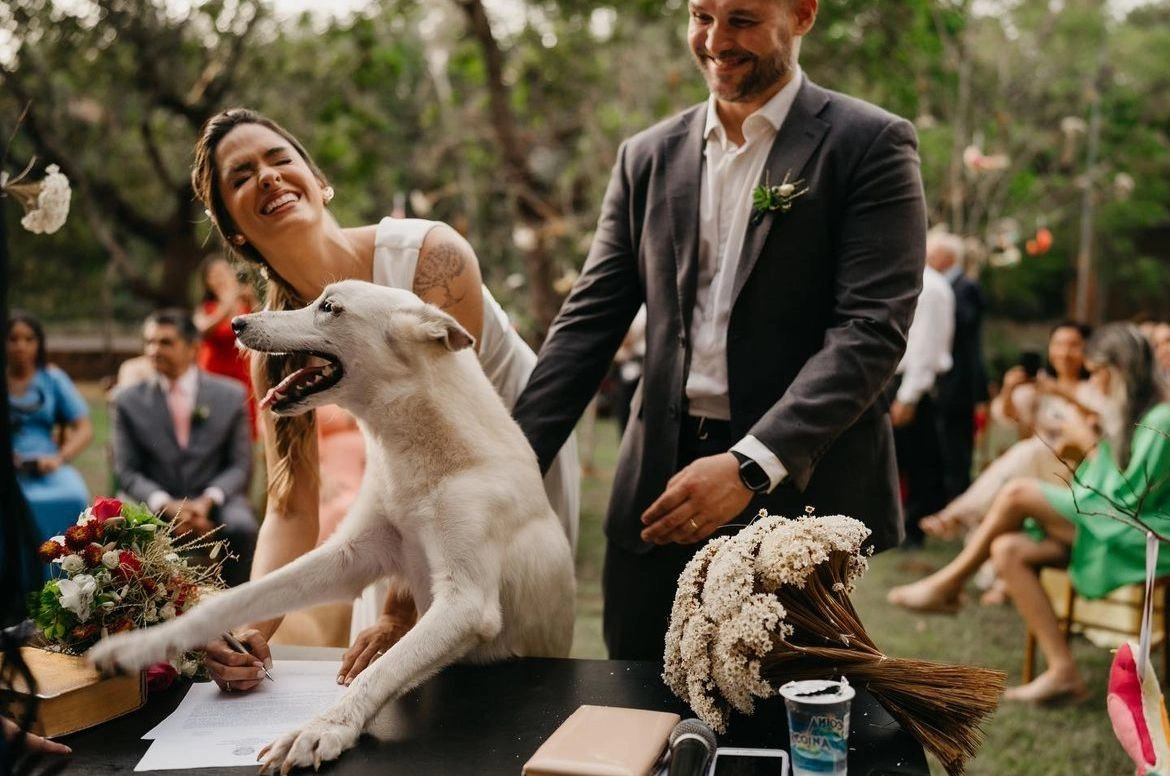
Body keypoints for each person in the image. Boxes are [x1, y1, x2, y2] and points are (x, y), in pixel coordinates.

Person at [512, 0, 927, 660]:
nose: (715, 41)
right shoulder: (646, 156)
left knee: (770, 716)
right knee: (636, 694)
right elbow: (586, 324)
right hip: (657, 484)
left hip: (794, 491)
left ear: (803, 14)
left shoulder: (868, 144)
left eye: (742, 19)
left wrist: (750, 466)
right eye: (701, 15)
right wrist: (506, 468)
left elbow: (869, 330)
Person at [188, 107, 581, 692]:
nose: (267, 177)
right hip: (398, 479)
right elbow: (291, 506)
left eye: (279, 160)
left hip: (511, 452)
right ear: (235, 231)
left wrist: (400, 609)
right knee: (400, 688)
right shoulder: (275, 343)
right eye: (242, 176)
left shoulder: (428, 255)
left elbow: (447, 428)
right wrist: (254, 629)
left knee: (496, 658)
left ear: (318, 182)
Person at [888, 323, 1170, 703]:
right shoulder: (1127, 414)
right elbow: (1103, 483)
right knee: (1007, 550)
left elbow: (1129, 498)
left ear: (1122, 370)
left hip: (1140, 536)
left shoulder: (1161, 417)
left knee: (1019, 492)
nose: (1096, 384)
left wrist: (1086, 441)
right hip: (1106, 524)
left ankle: (948, 584)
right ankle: (1063, 672)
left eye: (1099, 373)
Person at [110, 309, 258, 587]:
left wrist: (206, 502)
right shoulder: (127, 400)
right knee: (125, 528)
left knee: (242, 526)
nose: (154, 350)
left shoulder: (231, 394)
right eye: (149, 342)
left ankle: (236, 612)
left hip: (214, 500)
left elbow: (240, 466)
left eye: (165, 342)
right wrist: (166, 504)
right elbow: (127, 471)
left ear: (193, 348)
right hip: (153, 500)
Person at [920, 321, 1099, 540]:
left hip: (1071, 472)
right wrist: (1008, 390)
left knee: (1031, 450)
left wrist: (1061, 393)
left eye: (1074, 345)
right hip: (1034, 469)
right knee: (1025, 458)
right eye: (1059, 344)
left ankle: (957, 514)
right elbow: (1007, 417)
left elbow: (1099, 421)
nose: (1065, 352)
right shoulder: (1040, 388)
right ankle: (962, 519)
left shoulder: (1093, 388)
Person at [7, 311, 93, 543]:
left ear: (39, 343)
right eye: (13, 339)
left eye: (29, 339)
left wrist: (59, 458)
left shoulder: (53, 378)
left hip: (47, 466)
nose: (21, 346)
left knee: (74, 497)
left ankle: (65, 573)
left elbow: (84, 428)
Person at [889, 253, 955, 548]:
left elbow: (925, 346)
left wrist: (908, 395)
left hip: (912, 384)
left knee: (916, 461)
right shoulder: (914, 281)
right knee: (900, 458)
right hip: (899, 382)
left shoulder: (928, 287)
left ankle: (911, 529)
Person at [929, 232, 990, 501]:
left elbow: (963, 333)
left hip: (960, 382)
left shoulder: (965, 288)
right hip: (947, 381)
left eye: (932, 253)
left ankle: (958, 501)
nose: (928, 259)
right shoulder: (947, 286)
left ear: (947, 256)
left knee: (957, 446)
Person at [194, 254, 258, 438]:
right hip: (214, 375)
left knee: (242, 432)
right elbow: (202, 330)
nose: (221, 277)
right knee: (213, 429)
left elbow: (260, 328)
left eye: (224, 271)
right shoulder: (206, 308)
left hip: (242, 377)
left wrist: (252, 300)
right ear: (207, 282)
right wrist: (228, 303)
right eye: (214, 274)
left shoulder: (245, 304)